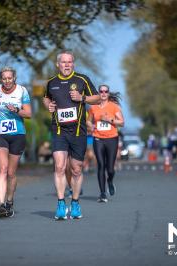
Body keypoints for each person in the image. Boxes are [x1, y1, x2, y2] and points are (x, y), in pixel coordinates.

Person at [43, 50, 100, 220]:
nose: (67, 65)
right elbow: (46, 98)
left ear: (73, 64)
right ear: (57, 64)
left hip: (78, 131)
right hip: (59, 131)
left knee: (76, 169)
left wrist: (82, 98)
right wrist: (49, 105)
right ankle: (61, 204)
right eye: (64, 62)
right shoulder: (51, 82)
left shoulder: (82, 80)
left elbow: (96, 98)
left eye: (70, 62)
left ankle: (75, 202)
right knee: (59, 167)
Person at [0, 66, 32, 218]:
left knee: (11, 173)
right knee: (2, 169)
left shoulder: (22, 91)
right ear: (1, 79)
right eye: (4, 78)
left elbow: (29, 113)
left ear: (14, 78)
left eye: (10, 78)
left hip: (17, 134)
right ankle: (2, 205)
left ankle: (10, 201)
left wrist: (16, 110)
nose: (7, 81)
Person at [87, 85, 124, 202]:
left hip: (112, 139)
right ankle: (102, 193)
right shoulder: (93, 107)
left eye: (105, 91)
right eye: (101, 91)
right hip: (98, 138)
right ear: (98, 93)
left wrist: (110, 120)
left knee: (110, 169)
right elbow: (88, 120)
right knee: (101, 165)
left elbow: (122, 122)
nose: (103, 93)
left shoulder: (114, 107)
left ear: (108, 93)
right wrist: (91, 126)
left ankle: (110, 180)